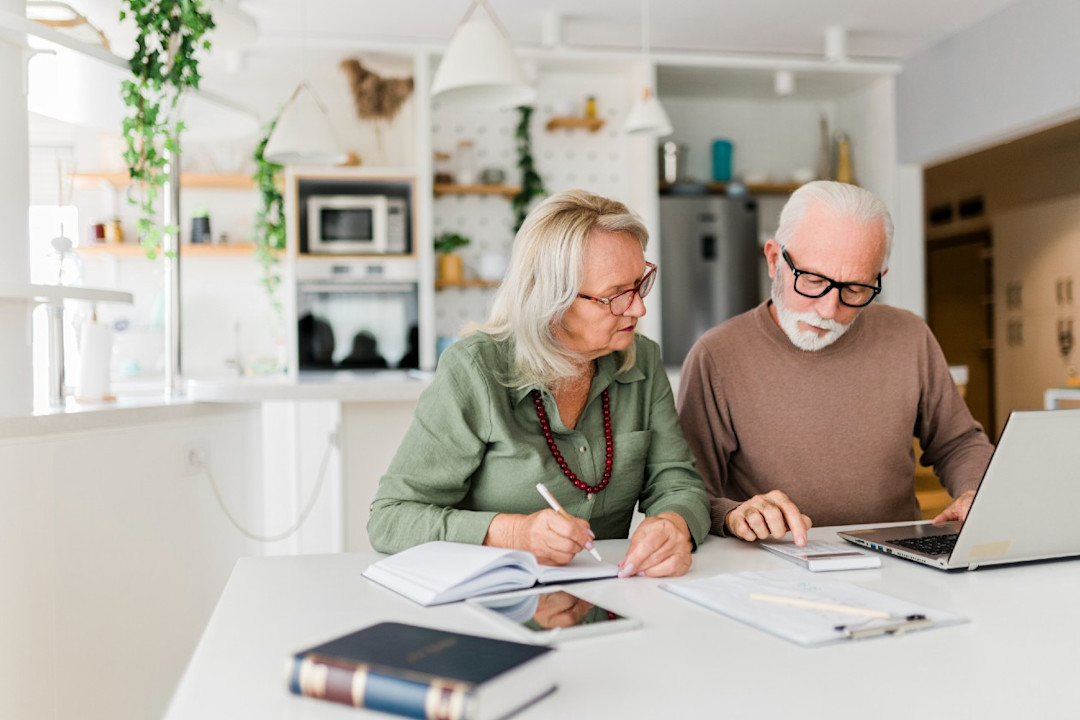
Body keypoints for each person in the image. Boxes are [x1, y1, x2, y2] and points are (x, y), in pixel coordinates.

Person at [369, 189, 710, 578]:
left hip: (609, 596)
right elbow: (391, 519)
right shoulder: (474, 369)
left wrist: (673, 524)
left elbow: (676, 481)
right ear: (552, 300)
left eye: (639, 283)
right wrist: (514, 532)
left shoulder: (642, 360)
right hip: (491, 604)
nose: (638, 307)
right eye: (616, 295)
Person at [677, 181, 994, 546]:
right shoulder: (717, 356)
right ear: (773, 260)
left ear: (879, 278)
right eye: (812, 280)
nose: (829, 310)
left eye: (855, 289)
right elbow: (688, 492)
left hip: (895, 561)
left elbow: (959, 443)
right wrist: (734, 514)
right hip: (774, 567)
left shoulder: (909, 336)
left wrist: (975, 493)